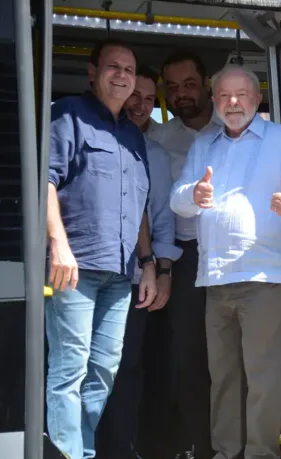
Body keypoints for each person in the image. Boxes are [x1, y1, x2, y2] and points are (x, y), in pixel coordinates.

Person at [169, 64, 281, 459]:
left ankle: (259, 455)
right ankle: (225, 453)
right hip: (215, 278)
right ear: (214, 100)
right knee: (223, 378)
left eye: (241, 95)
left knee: (263, 378)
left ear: (256, 99)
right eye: (223, 95)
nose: (232, 102)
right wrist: (194, 196)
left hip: (266, 276)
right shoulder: (205, 144)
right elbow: (178, 197)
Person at [45, 38, 158, 459]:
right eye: (114, 67)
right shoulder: (67, 116)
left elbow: (139, 206)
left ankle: (80, 450)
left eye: (129, 70)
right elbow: (45, 182)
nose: (122, 76)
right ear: (93, 72)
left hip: (121, 274)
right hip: (74, 269)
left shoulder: (133, 135)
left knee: (104, 371)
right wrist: (58, 244)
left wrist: (147, 263)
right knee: (68, 370)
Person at [96, 64, 183, 459]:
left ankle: (120, 449)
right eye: (136, 96)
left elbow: (162, 218)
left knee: (128, 368)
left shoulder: (156, 154)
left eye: (150, 99)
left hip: (137, 277)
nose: (142, 106)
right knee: (85, 368)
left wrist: (162, 271)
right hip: (85, 272)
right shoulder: (88, 133)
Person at [147, 49, 217, 459]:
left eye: (189, 84)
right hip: (184, 257)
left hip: (233, 258)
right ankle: (198, 447)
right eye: (171, 88)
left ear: (206, 84)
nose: (181, 94)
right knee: (189, 357)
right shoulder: (158, 138)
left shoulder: (234, 131)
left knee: (233, 358)